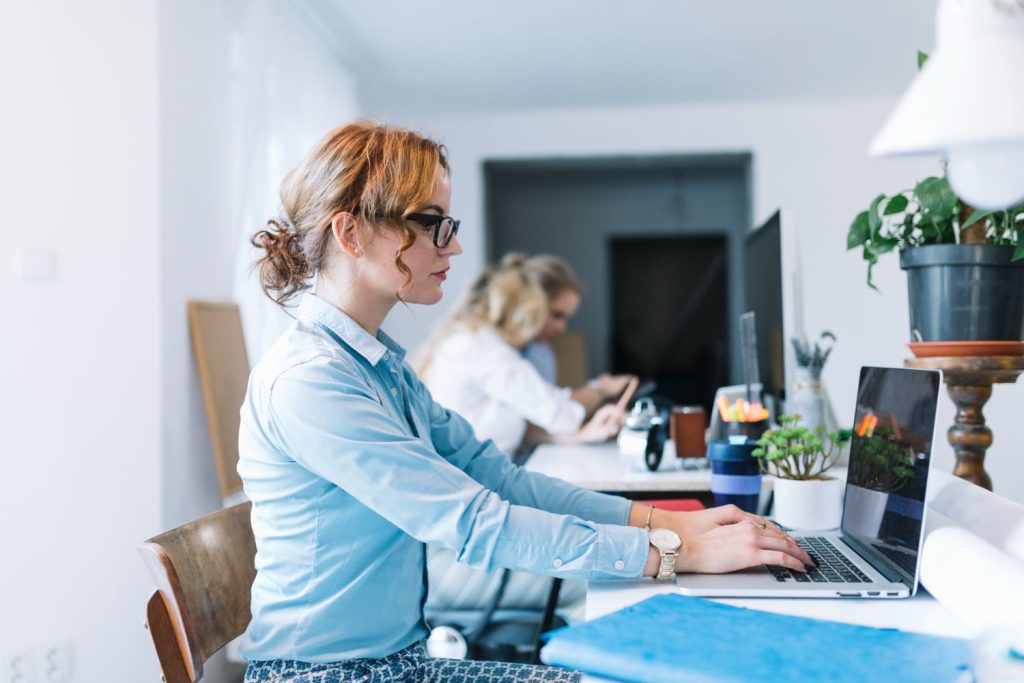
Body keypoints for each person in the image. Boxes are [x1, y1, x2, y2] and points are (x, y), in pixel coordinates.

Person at [239, 121, 812, 683]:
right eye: (432, 223)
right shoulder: (311, 382)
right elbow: (476, 522)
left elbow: (503, 481)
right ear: (351, 234)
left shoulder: (383, 370)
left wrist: (670, 524)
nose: (455, 244)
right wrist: (673, 552)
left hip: (397, 663)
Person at [418, 254, 631, 459]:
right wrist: (601, 388)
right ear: (531, 305)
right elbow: (560, 414)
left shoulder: (484, 343)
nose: (562, 327)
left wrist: (579, 436)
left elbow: (527, 421)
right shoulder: (483, 349)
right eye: (556, 315)